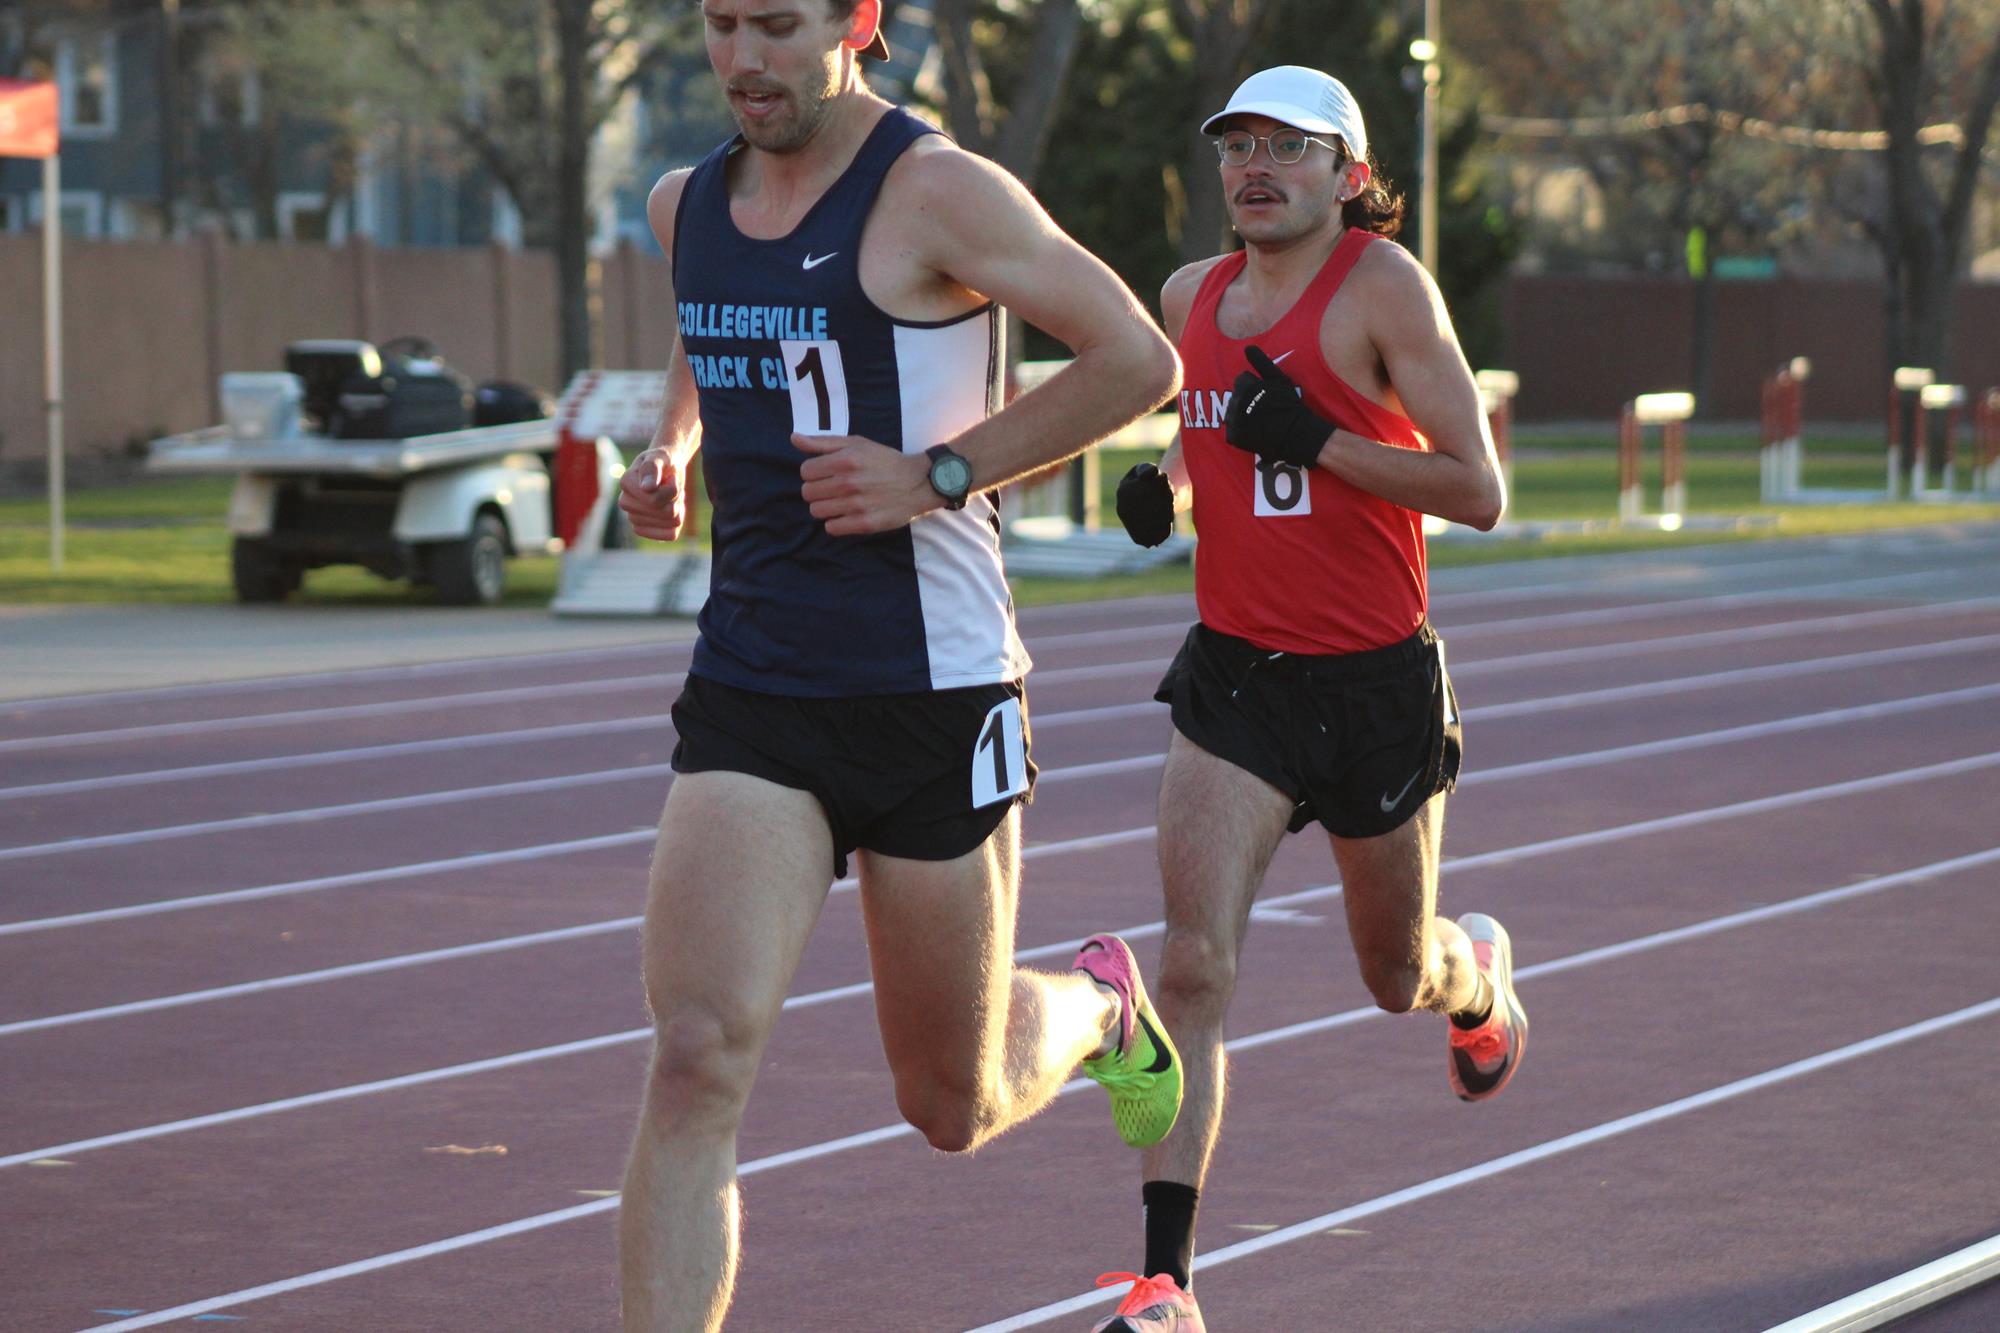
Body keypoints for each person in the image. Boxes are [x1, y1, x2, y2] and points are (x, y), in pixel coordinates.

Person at [612, 2, 1184, 1328]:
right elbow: (714, 322)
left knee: (955, 1101)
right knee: (694, 1060)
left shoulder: (937, 194)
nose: (746, 59)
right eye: (720, 25)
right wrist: (676, 448)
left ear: (857, 20)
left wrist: (942, 473)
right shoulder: (682, 204)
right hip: (756, 689)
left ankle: (1102, 1012)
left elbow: (1136, 359)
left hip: (935, 691)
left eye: (779, 24)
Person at [1093, 65, 1522, 1332]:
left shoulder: (1383, 287)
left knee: (1394, 975)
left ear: (1346, 171)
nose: (1254, 169)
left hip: (1374, 682)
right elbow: (1207, 425)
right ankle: (1165, 1281)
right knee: (1190, 966)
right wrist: (1164, 486)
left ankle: (1478, 977)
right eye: (1236, 147)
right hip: (1234, 677)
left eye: (1287, 147)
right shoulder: (1193, 297)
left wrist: (1320, 442)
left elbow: (1477, 488)